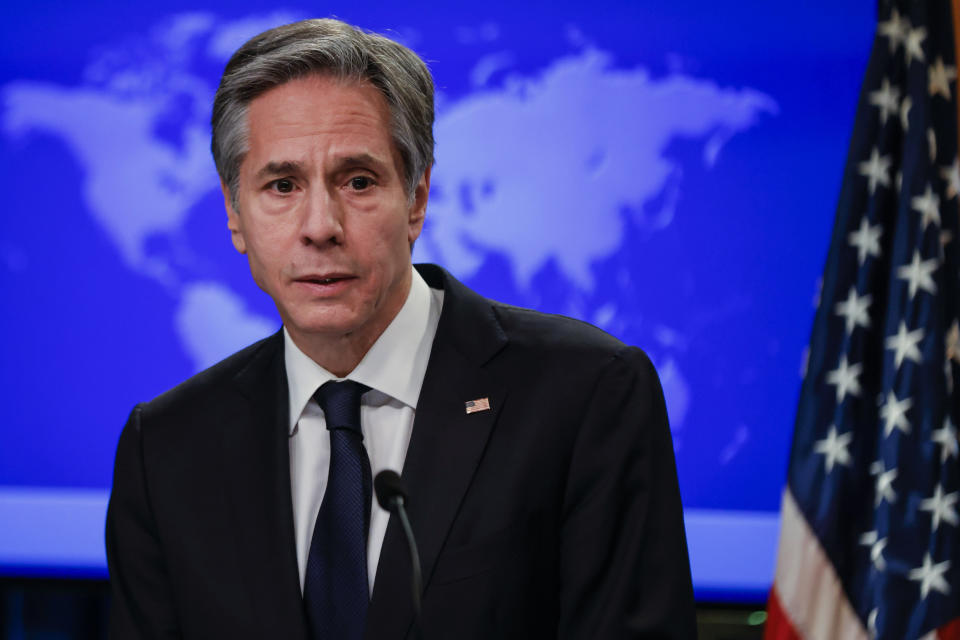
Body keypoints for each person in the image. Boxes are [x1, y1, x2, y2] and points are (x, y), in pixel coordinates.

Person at [105, 18, 697, 640]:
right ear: (235, 214)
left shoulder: (586, 396)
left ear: (416, 197)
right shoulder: (169, 449)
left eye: (357, 181)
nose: (320, 226)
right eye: (282, 186)